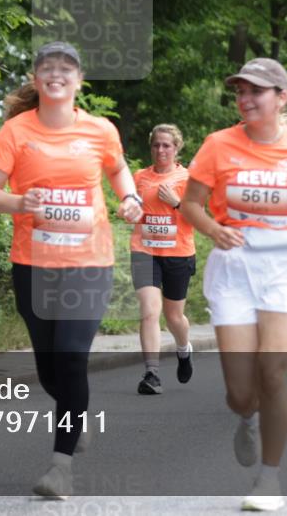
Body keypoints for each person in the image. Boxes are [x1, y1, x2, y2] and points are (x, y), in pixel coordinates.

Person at [180, 58, 287, 512]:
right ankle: (246, 416)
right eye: (240, 91)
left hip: (286, 268)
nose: (246, 98)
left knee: (273, 372)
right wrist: (213, 230)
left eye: (257, 91)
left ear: (280, 97)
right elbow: (190, 203)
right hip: (235, 267)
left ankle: (269, 480)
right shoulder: (218, 146)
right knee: (240, 392)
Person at [0, 42, 143, 499]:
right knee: (50, 370)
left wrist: (130, 197)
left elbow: (119, 170)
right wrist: (18, 202)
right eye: (47, 68)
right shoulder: (16, 132)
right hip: (33, 264)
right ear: (36, 79)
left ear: (79, 80)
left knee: (71, 357)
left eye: (65, 68)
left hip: (89, 263)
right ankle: (78, 411)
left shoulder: (100, 130)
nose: (56, 74)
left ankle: (60, 467)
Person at [131, 124, 196, 395]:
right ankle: (152, 373)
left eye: (166, 145)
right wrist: (130, 211)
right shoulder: (139, 177)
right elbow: (133, 207)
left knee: (174, 318)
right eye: (156, 145)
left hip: (178, 253)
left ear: (176, 147)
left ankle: (184, 349)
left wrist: (176, 202)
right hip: (144, 250)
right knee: (149, 311)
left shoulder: (189, 178)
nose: (161, 150)